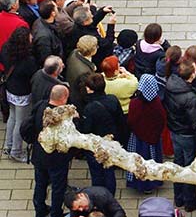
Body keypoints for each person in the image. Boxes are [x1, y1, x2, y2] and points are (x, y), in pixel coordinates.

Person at [164, 60, 196, 211]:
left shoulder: (171, 83)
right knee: (190, 169)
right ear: (192, 74)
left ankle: (178, 198)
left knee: (178, 165)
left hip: (174, 131)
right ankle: (190, 201)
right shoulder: (191, 98)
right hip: (187, 135)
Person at [31, 85, 73, 217]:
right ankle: (56, 213)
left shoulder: (40, 106)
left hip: (39, 155)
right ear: (64, 97)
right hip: (57, 159)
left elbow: (28, 126)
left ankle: (40, 210)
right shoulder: (64, 116)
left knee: (40, 184)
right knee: (58, 187)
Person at [80, 73, 125, 195]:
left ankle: (99, 197)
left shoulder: (89, 108)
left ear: (90, 89)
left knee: (97, 174)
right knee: (109, 171)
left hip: (95, 146)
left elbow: (86, 130)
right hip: (111, 143)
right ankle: (110, 196)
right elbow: (121, 121)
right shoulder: (112, 99)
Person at [0, 26, 36, 162]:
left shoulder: (5, 48)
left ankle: (8, 146)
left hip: (10, 89)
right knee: (20, 123)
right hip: (22, 93)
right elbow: (32, 75)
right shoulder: (28, 60)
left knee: (12, 118)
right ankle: (16, 151)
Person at [126, 74, 165, 193]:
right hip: (153, 139)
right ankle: (152, 184)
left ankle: (139, 184)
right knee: (152, 160)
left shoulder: (134, 103)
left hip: (137, 138)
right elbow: (162, 119)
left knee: (138, 161)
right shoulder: (157, 103)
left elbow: (130, 121)